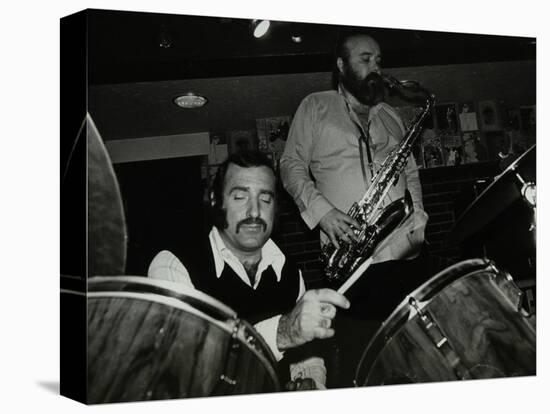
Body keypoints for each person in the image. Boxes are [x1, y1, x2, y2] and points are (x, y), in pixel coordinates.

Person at [279, 31, 429, 386]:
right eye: (365, 59)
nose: (375, 66)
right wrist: (323, 213)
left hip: (404, 255)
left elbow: (409, 168)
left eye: (378, 60)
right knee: (367, 365)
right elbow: (290, 165)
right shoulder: (315, 106)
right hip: (352, 260)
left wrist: (419, 214)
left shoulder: (390, 115)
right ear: (341, 65)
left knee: (416, 359)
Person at [148, 150, 350, 390]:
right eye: (240, 197)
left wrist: (310, 381)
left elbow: (307, 355)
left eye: (265, 199)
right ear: (216, 201)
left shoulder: (290, 273)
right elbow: (183, 367)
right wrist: (282, 332)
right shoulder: (173, 265)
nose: (254, 212)